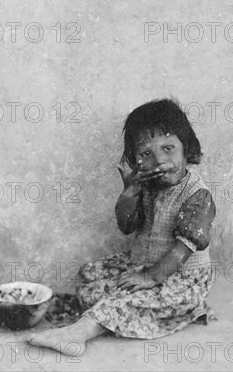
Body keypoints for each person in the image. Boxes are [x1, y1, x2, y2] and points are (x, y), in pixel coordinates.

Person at [28, 98, 216, 356]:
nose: (159, 160)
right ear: (135, 160)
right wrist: (130, 191)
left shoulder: (197, 195)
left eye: (168, 148)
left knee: (121, 300)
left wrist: (150, 277)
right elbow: (127, 226)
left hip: (178, 275)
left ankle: (77, 335)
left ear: (187, 149)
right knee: (89, 276)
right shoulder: (147, 186)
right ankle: (108, 314)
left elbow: (182, 251)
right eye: (147, 154)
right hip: (142, 262)